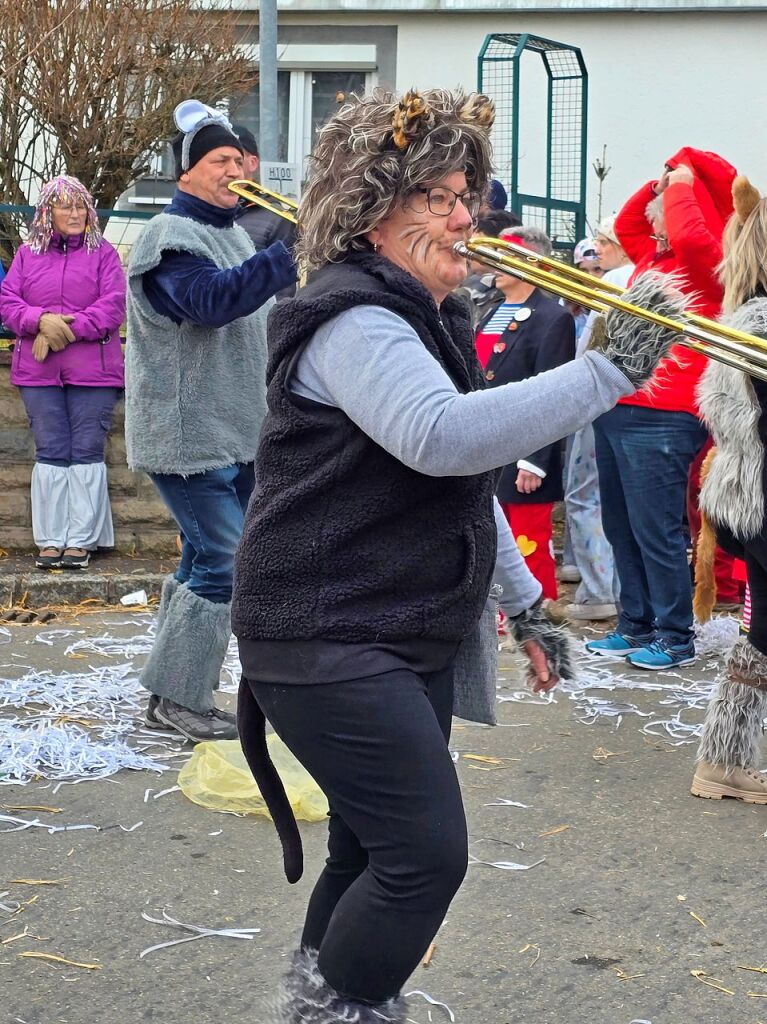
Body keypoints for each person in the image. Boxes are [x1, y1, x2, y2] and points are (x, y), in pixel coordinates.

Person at [229, 87, 682, 1022]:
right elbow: (444, 439)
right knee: (424, 858)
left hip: (395, 630)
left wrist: (525, 606)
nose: (461, 215)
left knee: (367, 851)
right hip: (324, 634)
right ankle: (341, 1008)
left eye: (464, 193)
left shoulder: (420, 316)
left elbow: (455, 491)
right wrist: (608, 370)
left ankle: (322, 1001)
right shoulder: (354, 316)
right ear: (370, 209)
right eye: (434, 196)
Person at [125, 99, 296, 743]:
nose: (235, 170)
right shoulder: (169, 239)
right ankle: (179, 698)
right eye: (219, 160)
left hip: (235, 429)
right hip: (187, 436)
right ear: (186, 173)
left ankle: (171, 692)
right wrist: (281, 255)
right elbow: (207, 304)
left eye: (239, 159)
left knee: (205, 562)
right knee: (226, 564)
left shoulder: (230, 232)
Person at [586, 147, 736, 669]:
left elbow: (694, 235)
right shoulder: (655, 259)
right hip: (620, 402)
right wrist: (657, 185)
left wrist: (683, 182)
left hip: (666, 413)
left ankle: (675, 635)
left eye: (667, 214)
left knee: (657, 529)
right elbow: (628, 223)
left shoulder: (710, 262)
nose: (657, 225)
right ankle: (636, 622)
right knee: (621, 525)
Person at [0, 176, 125, 570]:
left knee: (86, 452)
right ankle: (52, 538)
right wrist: (40, 321)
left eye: (81, 206)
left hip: (94, 372)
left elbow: (113, 306)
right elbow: (8, 303)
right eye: (65, 206)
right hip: (38, 373)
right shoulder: (26, 255)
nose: (75, 213)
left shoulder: (104, 254)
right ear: (46, 213)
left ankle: (81, 539)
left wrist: (63, 330)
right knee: (51, 451)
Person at [691, 173, 767, 803]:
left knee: (762, 632)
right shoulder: (760, 325)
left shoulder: (743, 316)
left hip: (748, 500)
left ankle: (726, 760)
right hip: (761, 498)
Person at [474, 225, 576, 600]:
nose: (495, 265)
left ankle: (537, 612)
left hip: (523, 449)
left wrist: (535, 460)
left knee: (527, 540)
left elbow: (554, 395)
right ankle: (500, 607)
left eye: (508, 257)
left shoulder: (553, 318)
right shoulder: (492, 310)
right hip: (486, 445)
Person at [562, 216, 634, 620]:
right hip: (636, 405)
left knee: (585, 495)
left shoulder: (617, 282)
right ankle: (620, 590)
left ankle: (596, 590)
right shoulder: (646, 277)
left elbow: (590, 349)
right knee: (621, 500)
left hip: (601, 401)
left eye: (606, 242)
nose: (600, 249)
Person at [232, 123, 298, 300]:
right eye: (220, 160)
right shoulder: (209, 212)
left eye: (237, 159)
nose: (229, 168)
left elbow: (284, 290)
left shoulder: (277, 217)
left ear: (252, 163)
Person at [454, 208, 521, 327]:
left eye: (479, 245)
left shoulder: (519, 294)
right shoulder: (466, 290)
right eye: (470, 244)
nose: (469, 251)